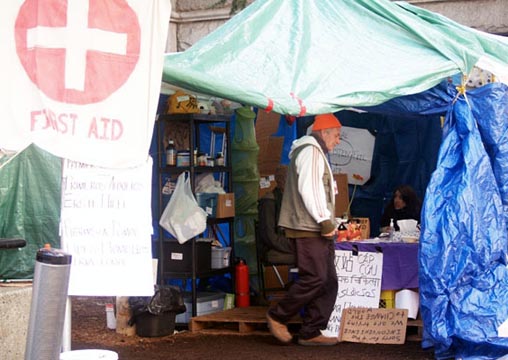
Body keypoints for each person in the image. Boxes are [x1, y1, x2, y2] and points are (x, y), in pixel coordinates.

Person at [266, 113, 341, 346]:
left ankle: (311, 331)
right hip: (309, 227)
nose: (338, 140)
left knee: (328, 280)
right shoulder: (311, 152)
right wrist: (325, 221)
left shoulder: (313, 151)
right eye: (337, 135)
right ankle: (278, 315)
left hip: (313, 227)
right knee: (316, 277)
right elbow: (311, 190)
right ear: (324, 132)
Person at [257, 165, 295, 257]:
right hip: (274, 246)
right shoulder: (269, 202)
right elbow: (269, 236)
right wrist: (292, 245)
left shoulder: (289, 198)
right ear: (281, 180)